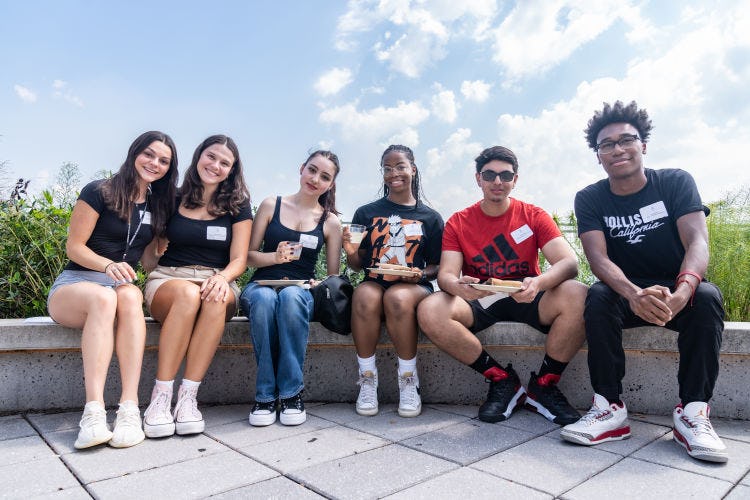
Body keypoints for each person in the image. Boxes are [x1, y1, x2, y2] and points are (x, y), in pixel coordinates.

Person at [561, 101, 728, 463]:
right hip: (626, 291)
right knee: (599, 296)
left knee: (708, 296)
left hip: (676, 286)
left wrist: (684, 290)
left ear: (643, 144)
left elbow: (697, 241)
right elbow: (598, 258)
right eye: (607, 145)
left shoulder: (674, 181)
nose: (617, 149)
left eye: (626, 140)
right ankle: (609, 409)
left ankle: (693, 413)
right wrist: (634, 294)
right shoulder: (590, 197)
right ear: (598, 156)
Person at [417, 146, 587, 425]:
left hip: (528, 294)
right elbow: (446, 275)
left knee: (579, 293)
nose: (498, 181)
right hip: (482, 297)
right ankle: (502, 380)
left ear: (515, 180)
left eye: (505, 175)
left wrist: (538, 282)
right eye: (490, 175)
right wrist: (460, 287)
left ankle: (544, 386)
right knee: (430, 308)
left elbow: (569, 263)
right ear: (478, 179)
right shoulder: (459, 221)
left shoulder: (533, 215)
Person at [47, 131, 178, 449]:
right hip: (76, 286)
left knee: (131, 294)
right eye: (149, 154)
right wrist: (106, 266)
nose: (154, 163)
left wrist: (160, 250)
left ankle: (129, 409)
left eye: (163, 160)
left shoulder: (155, 206)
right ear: (135, 153)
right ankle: (92, 413)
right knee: (107, 296)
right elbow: (74, 247)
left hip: (118, 289)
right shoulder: (100, 191)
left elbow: (145, 261)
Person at [140, 135, 252, 438]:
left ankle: (188, 398)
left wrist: (223, 278)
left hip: (218, 277)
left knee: (215, 297)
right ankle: (160, 399)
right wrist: (155, 247)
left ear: (232, 169)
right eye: (211, 157)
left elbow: (240, 259)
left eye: (224, 163)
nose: (215, 165)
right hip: (169, 278)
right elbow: (149, 262)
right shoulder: (171, 198)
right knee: (189, 293)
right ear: (199, 156)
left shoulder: (238, 205)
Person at [239, 150, 342, 426]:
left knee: (291, 296)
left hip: (300, 291)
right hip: (261, 284)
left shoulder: (330, 222)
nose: (315, 179)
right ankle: (264, 395)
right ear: (301, 169)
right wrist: (275, 257)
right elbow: (247, 256)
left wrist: (317, 284)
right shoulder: (271, 204)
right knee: (263, 299)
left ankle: (291, 394)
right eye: (312, 170)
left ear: (330, 185)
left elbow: (333, 276)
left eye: (324, 177)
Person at [344, 145, 444, 417]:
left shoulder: (430, 217)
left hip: (413, 286)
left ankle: (409, 380)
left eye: (400, 166)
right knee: (364, 296)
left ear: (413, 168)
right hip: (375, 281)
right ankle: (367, 379)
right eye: (387, 168)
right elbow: (357, 265)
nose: (393, 173)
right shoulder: (365, 213)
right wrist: (351, 251)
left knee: (397, 297)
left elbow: (437, 266)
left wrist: (419, 274)